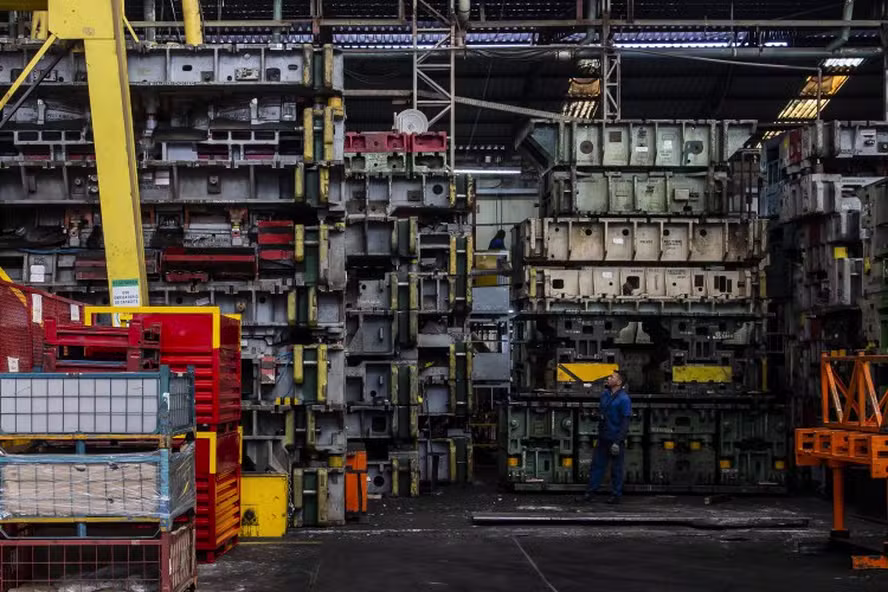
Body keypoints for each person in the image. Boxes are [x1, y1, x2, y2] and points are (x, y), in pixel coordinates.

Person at [583, 370, 631, 504]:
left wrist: (618, 441)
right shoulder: (605, 395)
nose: (608, 378)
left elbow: (625, 422)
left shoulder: (624, 399)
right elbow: (603, 413)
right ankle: (590, 493)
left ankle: (616, 495)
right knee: (596, 466)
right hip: (603, 436)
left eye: (612, 377)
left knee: (616, 468)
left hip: (615, 438)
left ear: (619, 382)